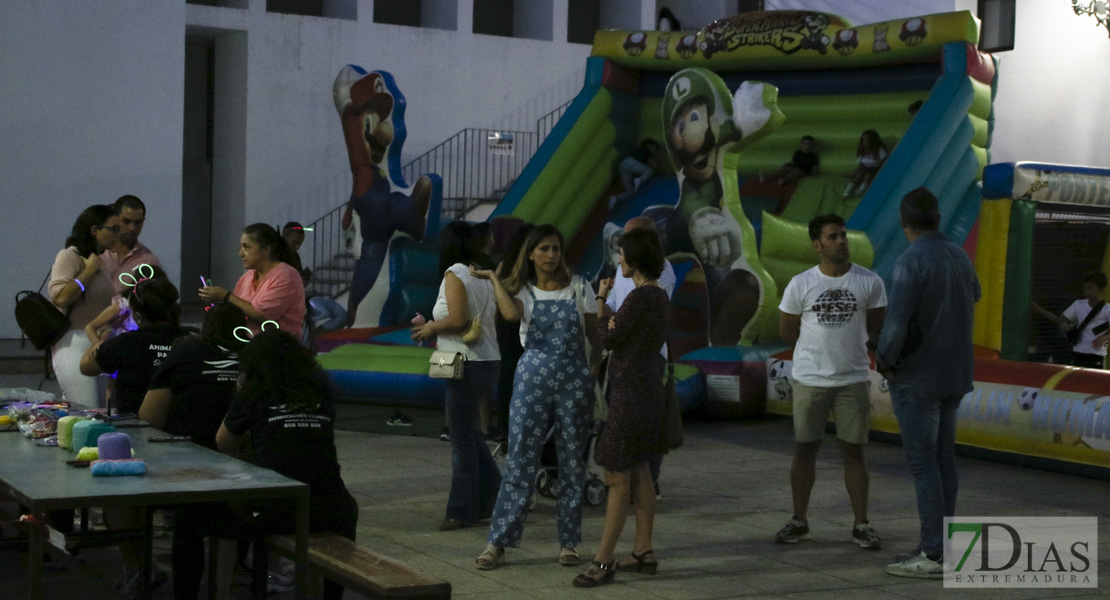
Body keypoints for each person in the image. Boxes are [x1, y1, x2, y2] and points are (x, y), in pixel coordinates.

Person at [475, 224, 601, 571]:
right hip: (531, 380)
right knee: (519, 460)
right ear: (530, 254)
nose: (550, 255)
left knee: (573, 462)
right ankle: (497, 543)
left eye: (555, 249)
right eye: (543, 249)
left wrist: (591, 373)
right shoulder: (524, 293)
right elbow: (510, 314)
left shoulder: (580, 288)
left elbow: (596, 335)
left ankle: (570, 542)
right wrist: (492, 278)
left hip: (575, 382)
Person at [877, 188, 980, 579]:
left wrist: (885, 361)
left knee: (922, 465)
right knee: (944, 460)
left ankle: (933, 553)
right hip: (956, 374)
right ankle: (947, 548)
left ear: (904, 224)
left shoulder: (910, 260)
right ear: (938, 218)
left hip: (919, 378)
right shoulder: (959, 255)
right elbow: (976, 294)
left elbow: (897, 322)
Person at [216, 330, 359, 600]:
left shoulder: (255, 390)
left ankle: (237, 582)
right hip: (334, 507)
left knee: (225, 509)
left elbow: (223, 443)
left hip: (277, 508)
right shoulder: (320, 391)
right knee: (326, 520)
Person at [775, 214, 886, 549]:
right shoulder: (801, 283)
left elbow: (876, 328)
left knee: (854, 451)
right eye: (833, 236)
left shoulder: (869, 282)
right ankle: (799, 521)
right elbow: (786, 331)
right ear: (816, 244)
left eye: (843, 235)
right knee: (805, 448)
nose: (841, 241)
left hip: (852, 378)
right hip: (810, 379)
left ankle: (861, 525)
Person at [572, 228, 670, 587]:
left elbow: (609, 336)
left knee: (615, 475)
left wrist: (600, 301)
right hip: (646, 388)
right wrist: (613, 318)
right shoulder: (657, 295)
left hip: (630, 392)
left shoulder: (641, 296)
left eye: (622, 254)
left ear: (635, 258)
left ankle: (603, 561)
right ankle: (643, 550)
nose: (619, 260)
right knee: (641, 468)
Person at [411, 221, 518, 531]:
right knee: (469, 433)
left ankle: (462, 510)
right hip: (486, 359)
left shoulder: (455, 274)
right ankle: (495, 496)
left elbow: (458, 319)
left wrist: (430, 326)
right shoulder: (479, 274)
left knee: (461, 441)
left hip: (465, 362)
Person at [139, 302, 248, 600]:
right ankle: (226, 586)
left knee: (190, 516)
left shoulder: (184, 352)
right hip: (244, 465)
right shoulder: (253, 359)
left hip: (189, 458)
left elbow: (149, 419)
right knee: (227, 510)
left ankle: (185, 592)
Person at [597, 217, 676, 499]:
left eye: (626, 248)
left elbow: (619, 327)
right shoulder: (626, 275)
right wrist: (606, 306)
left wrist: (599, 305)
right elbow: (618, 314)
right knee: (630, 443)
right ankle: (637, 496)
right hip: (626, 363)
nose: (620, 256)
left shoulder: (656, 281)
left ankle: (641, 487)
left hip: (643, 363)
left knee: (636, 442)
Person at [79, 267, 187, 415]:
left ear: (137, 315)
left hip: (134, 422)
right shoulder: (192, 340)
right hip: (182, 420)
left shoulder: (124, 344)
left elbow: (86, 366)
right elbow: (91, 327)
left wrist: (107, 335)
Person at [48, 204, 120, 406]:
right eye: (113, 229)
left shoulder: (98, 260)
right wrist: (87, 273)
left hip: (97, 343)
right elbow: (60, 298)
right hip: (72, 342)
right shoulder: (70, 256)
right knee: (86, 410)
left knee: (103, 411)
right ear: (95, 230)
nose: (118, 234)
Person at [199, 223, 306, 334]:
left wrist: (225, 295)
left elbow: (263, 315)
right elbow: (237, 309)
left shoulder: (286, 276)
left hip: (277, 347)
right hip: (246, 343)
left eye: (246, 247)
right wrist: (217, 300)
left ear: (266, 250)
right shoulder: (247, 277)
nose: (240, 253)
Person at [282, 221, 349, 335]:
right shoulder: (275, 255)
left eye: (300, 243)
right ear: (284, 237)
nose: (297, 247)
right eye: (295, 242)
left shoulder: (294, 256)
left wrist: (302, 281)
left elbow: (297, 276)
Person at [1031, 272, 1110, 368]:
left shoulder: (1107, 309)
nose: (1086, 291)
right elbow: (1060, 320)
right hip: (1078, 351)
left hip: (1097, 353)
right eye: (1085, 288)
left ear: (1100, 290)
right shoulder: (1078, 305)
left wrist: (1104, 337)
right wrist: (1039, 310)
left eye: (1090, 288)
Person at [102, 195, 161, 296]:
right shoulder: (96, 253)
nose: (132, 228)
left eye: (138, 222)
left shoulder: (148, 262)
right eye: (126, 221)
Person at [610, 139, 660, 208]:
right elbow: (651, 163)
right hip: (629, 162)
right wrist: (654, 165)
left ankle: (616, 198)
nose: (654, 151)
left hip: (622, 167)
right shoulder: (645, 151)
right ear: (649, 146)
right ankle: (640, 179)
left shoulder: (640, 152)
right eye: (654, 148)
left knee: (631, 192)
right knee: (650, 171)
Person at [843, 130, 887, 198]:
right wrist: (854, 173)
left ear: (874, 141)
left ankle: (860, 191)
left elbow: (885, 162)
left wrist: (882, 173)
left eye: (868, 140)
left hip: (874, 169)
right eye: (864, 141)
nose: (866, 143)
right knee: (858, 176)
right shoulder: (862, 150)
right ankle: (848, 190)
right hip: (864, 167)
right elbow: (860, 164)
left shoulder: (879, 150)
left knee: (868, 176)